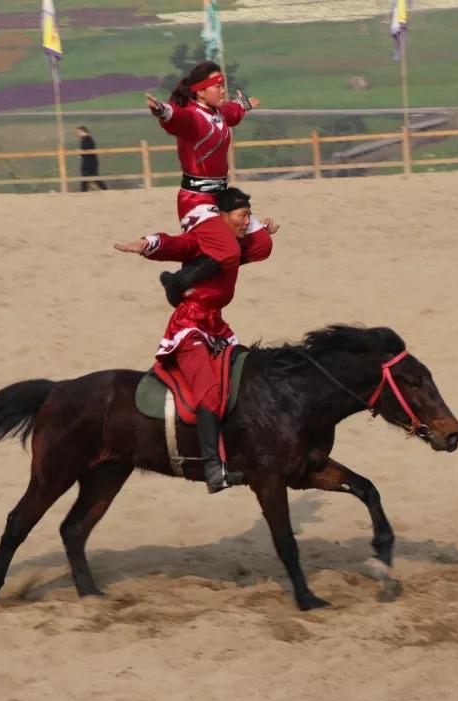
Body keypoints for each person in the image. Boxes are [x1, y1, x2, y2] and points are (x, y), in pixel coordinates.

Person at [113, 187, 276, 494]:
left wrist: (262, 230)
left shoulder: (233, 250)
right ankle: (214, 470)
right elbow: (176, 243)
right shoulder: (202, 241)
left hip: (217, 327)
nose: (246, 221)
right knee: (210, 394)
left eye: (249, 216)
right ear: (222, 218)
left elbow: (258, 250)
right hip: (189, 327)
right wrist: (148, 243)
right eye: (242, 216)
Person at [144, 62, 263, 234]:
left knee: (260, 242)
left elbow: (231, 111)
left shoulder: (218, 112)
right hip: (196, 199)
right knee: (223, 247)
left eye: (223, 86)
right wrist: (163, 111)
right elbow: (178, 117)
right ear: (201, 92)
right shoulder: (193, 116)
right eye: (218, 86)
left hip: (221, 196)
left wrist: (243, 105)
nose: (223, 91)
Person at [77, 126, 107, 192]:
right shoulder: (88, 139)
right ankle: (105, 189)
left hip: (88, 162)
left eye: (79, 132)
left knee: (86, 178)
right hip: (91, 162)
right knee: (94, 177)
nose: (78, 134)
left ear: (83, 131)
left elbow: (86, 151)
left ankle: (83, 191)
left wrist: (80, 152)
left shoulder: (87, 140)